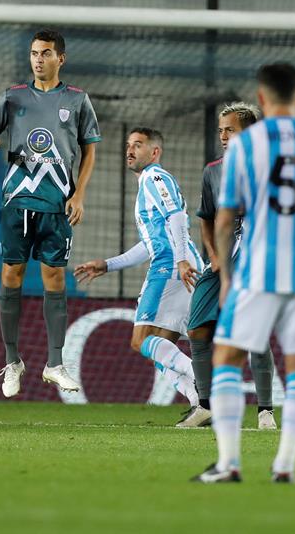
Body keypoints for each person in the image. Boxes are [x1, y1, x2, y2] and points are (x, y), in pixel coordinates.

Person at [192, 63, 295, 484]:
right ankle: (284, 466)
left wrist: (226, 278)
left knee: (226, 355)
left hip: (258, 270)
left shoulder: (243, 150)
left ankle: (229, 463)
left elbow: (224, 220)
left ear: (261, 100)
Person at [0, 29, 100, 398]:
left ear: (60, 58)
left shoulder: (78, 100)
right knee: (11, 274)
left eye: (45, 53)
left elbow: (90, 149)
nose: (38, 59)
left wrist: (79, 194)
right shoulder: (12, 97)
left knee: (55, 280)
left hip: (57, 204)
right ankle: (13, 361)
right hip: (17, 201)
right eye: (34, 53)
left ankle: (55, 363)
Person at [74, 128, 203, 416]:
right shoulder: (148, 184)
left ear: (154, 152)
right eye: (129, 145)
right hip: (178, 265)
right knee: (160, 346)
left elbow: (178, 217)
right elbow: (149, 244)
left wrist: (181, 260)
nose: (130, 150)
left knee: (140, 340)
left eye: (139, 145)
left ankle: (204, 381)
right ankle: (199, 401)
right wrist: (108, 264)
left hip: (171, 266)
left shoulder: (154, 177)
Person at [178, 102, 277, 429]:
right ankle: (206, 406)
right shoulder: (213, 170)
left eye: (230, 130)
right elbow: (206, 219)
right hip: (221, 259)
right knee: (197, 328)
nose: (222, 136)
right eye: (221, 130)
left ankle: (265, 412)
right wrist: (214, 256)